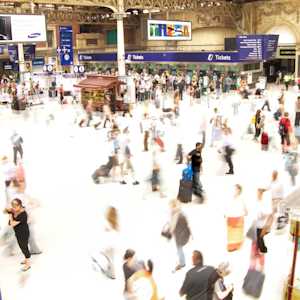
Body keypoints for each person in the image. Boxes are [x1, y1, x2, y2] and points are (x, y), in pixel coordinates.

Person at [4, 199, 31, 271]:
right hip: (18, 233)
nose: (13, 207)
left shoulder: (23, 214)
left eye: (15, 205)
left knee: (24, 247)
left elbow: (12, 224)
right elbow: (4, 212)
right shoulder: (15, 211)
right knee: (21, 246)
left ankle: (28, 264)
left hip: (23, 233)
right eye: (12, 205)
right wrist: (8, 211)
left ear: (20, 205)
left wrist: (10, 214)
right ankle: (26, 259)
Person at [169, 200, 191, 272]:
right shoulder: (181, 212)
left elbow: (173, 226)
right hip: (183, 233)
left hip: (179, 234)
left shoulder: (175, 213)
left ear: (173, 206)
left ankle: (182, 263)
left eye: (170, 205)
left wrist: (169, 233)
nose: (169, 207)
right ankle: (180, 258)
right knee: (179, 248)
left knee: (179, 248)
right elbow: (188, 223)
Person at [225, 184, 247, 252]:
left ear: (239, 190)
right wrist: (226, 214)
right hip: (231, 219)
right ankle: (232, 246)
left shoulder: (241, 199)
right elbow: (227, 208)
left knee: (237, 234)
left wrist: (242, 214)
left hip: (238, 219)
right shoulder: (230, 198)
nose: (234, 191)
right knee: (231, 234)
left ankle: (237, 246)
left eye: (236, 189)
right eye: (234, 189)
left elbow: (246, 211)